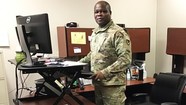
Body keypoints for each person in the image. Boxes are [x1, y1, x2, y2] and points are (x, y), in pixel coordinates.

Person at [79, 1, 132, 105]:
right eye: (97, 12)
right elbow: (93, 54)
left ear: (110, 13)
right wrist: (77, 64)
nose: (99, 14)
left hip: (113, 86)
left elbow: (125, 59)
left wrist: (104, 72)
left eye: (104, 11)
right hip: (98, 84)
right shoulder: (96, 32)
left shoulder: (118, 32)